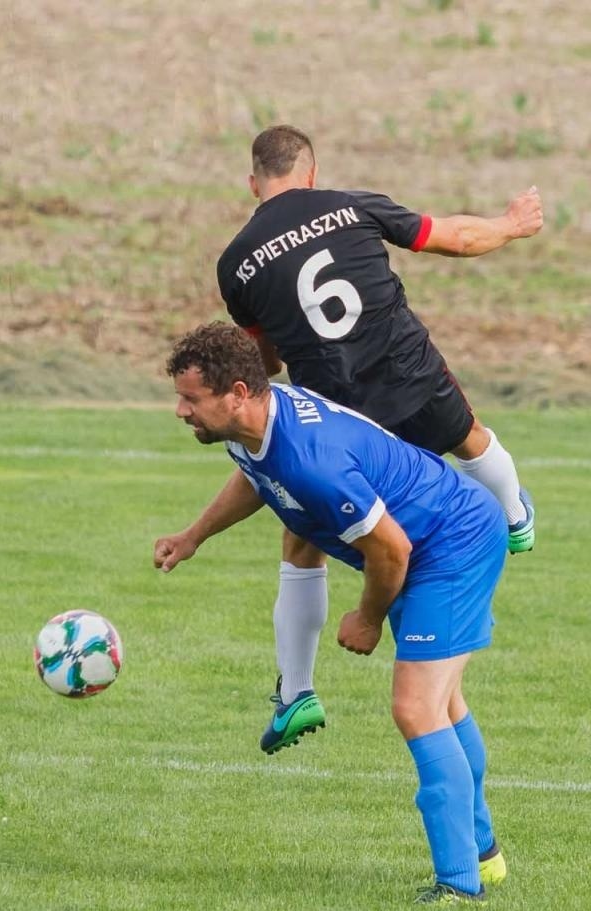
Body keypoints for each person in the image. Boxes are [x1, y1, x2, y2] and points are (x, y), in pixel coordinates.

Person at [154, 323, 510, 904]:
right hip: (435, 537)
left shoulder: (310, 461)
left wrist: (367, 619)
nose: (180, 410)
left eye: (191, 398)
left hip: (452, 542)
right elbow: (255, 477)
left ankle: (458, 886)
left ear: (238, 392)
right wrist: (196, 535)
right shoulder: (253, 427)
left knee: (415, 707)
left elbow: (390, 548)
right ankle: (484, 857)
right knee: (442, 702)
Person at [215, 124, 544, 753]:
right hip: (409, 374)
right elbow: (453, 237)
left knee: (301, 542)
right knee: (471, 439)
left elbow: (265, 360)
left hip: (337, 412)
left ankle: (295, 692)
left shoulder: (236, 263)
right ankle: (514, 517)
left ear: (255, 184)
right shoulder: (350, 205)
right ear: (310, 173)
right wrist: (510, 224)